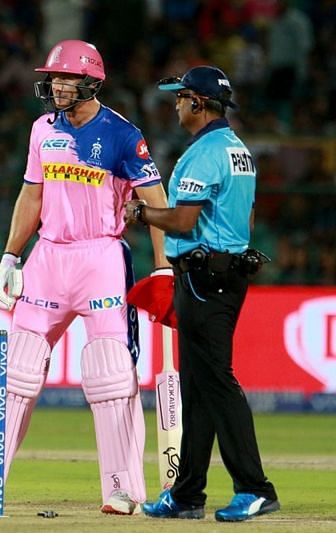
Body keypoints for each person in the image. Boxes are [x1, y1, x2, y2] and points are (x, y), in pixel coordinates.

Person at [0, 39, 171, 516]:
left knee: (112, 377)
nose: (56, 86)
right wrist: (11, 256)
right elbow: (31, 196)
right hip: (48, 257)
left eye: (66, 79)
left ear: (91, 82)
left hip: (101, 259)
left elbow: (155, 201)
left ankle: (124, 490)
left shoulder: (122, 134)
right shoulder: (42, 130)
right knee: (16, 373)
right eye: (53, 78)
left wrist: (162, 267)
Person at [124, 65, 279, 522]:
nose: (174, 106)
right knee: (197, 387)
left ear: (198, 102)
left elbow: (183, 222)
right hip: (225, 273)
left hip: (203, 277)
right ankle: (187, 494)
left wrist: (141, 212)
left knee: (216, 382)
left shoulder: (202, 154)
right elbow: (247, 220)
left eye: (180, 98)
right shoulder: (239, 151)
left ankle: (255, 487)